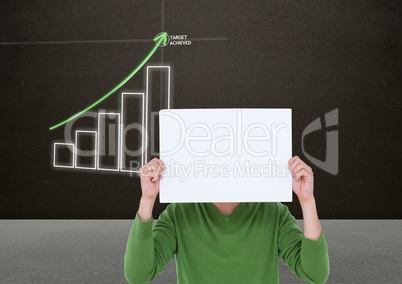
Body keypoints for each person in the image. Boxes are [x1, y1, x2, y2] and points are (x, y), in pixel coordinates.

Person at [124, 156, 329, 284]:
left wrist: (307, 199)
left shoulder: (272, 211)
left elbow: (315, 274)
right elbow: (138, 275)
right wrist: (148, 199)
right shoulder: (180, 212)